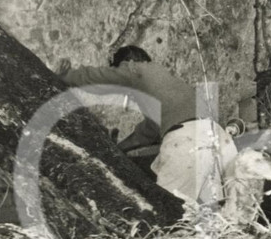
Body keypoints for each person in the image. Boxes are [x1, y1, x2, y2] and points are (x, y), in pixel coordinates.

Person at [60, 45, 238, 205]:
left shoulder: (136, 69)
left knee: (168, 214)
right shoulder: (169, 85)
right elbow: (149, 131)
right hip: (219, 140)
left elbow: (101, 78)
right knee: (214, 214)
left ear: (127, 63)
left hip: (188, 144)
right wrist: (120, 149)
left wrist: (68, 77)